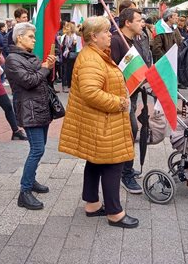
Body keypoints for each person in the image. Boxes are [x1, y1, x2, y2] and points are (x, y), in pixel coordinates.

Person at [58, 16, 138, 229]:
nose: (110, 34)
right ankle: (115, 213)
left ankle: (92, 204)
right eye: (106, 32)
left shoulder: (94, 55)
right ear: (94, 36)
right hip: (102, 121)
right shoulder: (91, 59)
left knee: (95, 161)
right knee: (113, 164)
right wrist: (120, 103)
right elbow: (91, 93)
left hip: (99, 121)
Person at [5, 23, 56, 210]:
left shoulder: (30, 56)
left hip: (41, 108)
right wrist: (44, 68)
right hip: (29, 110)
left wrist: (48, 67)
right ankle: (24, 191)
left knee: (40, 147)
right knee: (37, 149)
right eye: (30, 37)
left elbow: (41, 79)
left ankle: (31, 180)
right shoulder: (12, 59)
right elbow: (29, 81)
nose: (34, 40)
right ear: (19, 38)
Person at [110, 8, 149, 195]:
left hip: (132, 95)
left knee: (130, 132)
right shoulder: (117, 40)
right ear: (127, 23)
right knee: (130, 131)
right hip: (121, 98)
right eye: (139, 20)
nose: (142, 23)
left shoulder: (136, 41)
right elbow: (113, 71)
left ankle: (124, 168)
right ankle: (125, 174)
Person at [60, 22, 78, 93]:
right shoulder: (63, 36)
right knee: (65, 70)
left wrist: (74, 43)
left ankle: (71, 85)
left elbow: (76, 46)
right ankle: (64, 85)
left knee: (72, 70)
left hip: (72, 56)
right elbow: (61, 46)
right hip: (65, 56)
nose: (66, 28)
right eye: (66, 27)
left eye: (68, 27)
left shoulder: (74, 36)